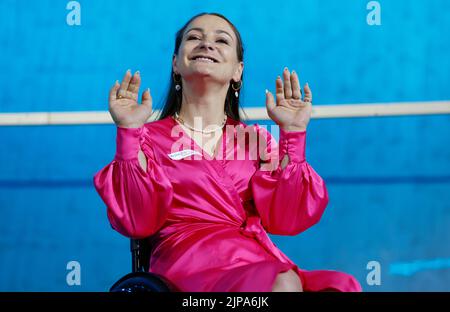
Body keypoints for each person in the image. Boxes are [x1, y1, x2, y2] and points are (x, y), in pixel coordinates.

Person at [94, 12, 362, 292]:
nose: (206, 44)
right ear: (175, 63)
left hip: (253, 260)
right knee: (281, 282)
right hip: (185, 267)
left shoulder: (256, 140)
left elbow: (287, 218)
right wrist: (128, 130)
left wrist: (293, 134)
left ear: (238, 71)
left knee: (337, 286)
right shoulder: (146, 137)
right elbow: (137, 220)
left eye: (221, 40)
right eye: (194, 37)